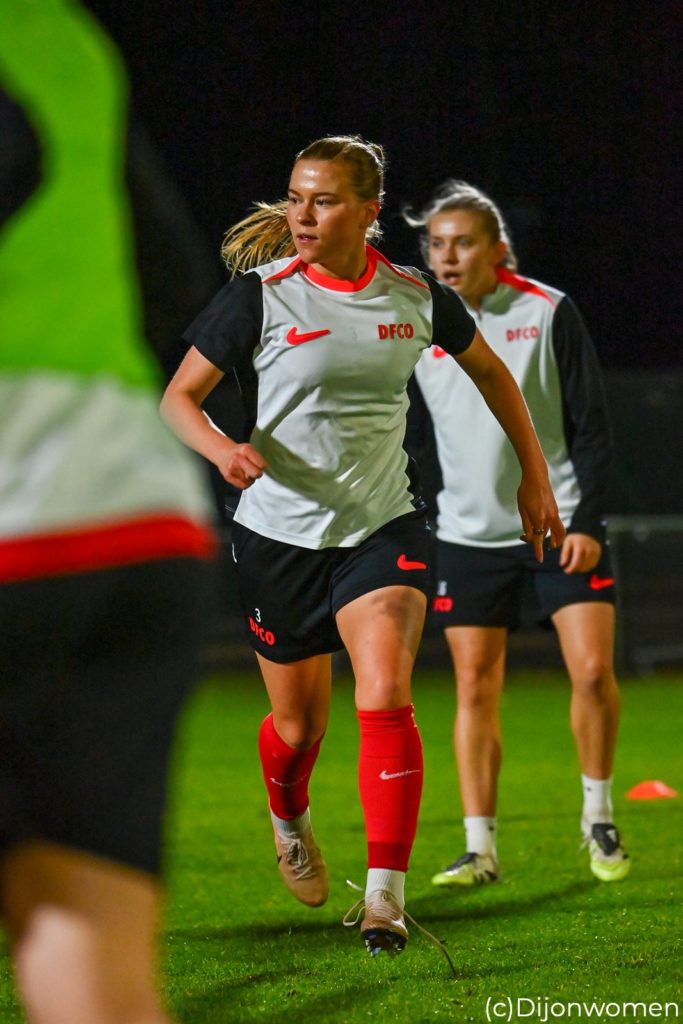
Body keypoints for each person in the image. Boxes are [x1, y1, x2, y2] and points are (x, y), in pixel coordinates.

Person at [161, 136, 564, 959]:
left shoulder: (412, 296)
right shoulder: (260, 297)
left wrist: (535, 477)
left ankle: (384, 898)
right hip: (278, 535)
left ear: (368, 211)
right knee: (297, 727)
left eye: (323, 200)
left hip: (383, 526)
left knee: (383, 692)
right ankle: (289, 819)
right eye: (295, 198)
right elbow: (178, 400)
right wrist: (222, 451)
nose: (302, 215)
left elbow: (493, 374)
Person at [1, 3, 216, 1022]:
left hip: (17, 522)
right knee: (91, 962)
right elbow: (170, 271)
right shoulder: (65, 33)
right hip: (130, 517)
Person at [403, 180, 630, 888]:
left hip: (558, 527)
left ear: (497, 248)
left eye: (462, 243)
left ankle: (598, 817)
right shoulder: (414, 324)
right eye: (435, 244)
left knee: (590, 671)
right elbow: (408, 433)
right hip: (467, 536)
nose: (446, 256)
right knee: (474, 686)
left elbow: (591, 425)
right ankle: (480, 849)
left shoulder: (548, 310)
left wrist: (587, 522)